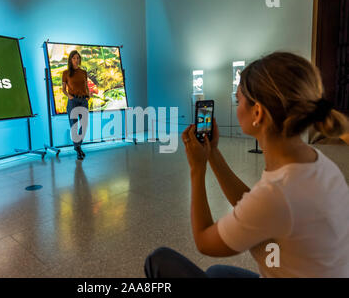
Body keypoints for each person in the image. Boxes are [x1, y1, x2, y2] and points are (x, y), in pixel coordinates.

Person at [145, 52, 349, 278]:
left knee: (159, 260)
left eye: (238, 99)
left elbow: (204, 241)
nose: (236, 104)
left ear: (258, 112)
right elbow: (252, 203)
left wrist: (197, 169)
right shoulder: (320, 163)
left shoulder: (277, 192)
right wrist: (213, 153)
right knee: (216, 273)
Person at [62, 50, 90, 160]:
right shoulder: (66, 73)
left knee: (84, 125)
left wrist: (88, 96)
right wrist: (69, 96)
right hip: (73, 101)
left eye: (78, 58)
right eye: (74, 58)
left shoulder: (83, 72)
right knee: (74, 125)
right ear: (70, 59)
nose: (76, 60)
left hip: (83, 101)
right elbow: (63, 90)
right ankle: (78, 149)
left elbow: (86, 85)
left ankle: (77, 146)